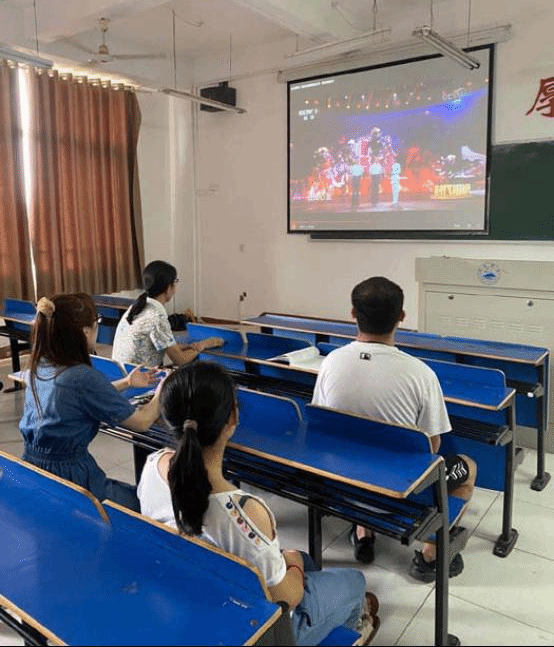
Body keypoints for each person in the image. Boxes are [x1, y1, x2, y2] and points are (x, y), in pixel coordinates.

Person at [138, 362, 381, 646]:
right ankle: (354, 625)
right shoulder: (244, 512)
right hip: (260, 631)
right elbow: (287, 597)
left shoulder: (152, 465)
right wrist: (293, 566)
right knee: (355, 582)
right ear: (233, 417)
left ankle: (322, 599)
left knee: (306, 560)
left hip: (196, 598)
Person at [312, 277, 476, 582]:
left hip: (342, 485)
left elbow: (321, 423)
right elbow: (432, 447)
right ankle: (430, 556)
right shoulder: (421, 374)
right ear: (401, 317)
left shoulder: (331, 362)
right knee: (467, 467)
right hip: (400, 494)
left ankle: (363, 531)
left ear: (353, 314)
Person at [20, 293, 163, 512]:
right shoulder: (82, 376)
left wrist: (126, 382)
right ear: (86, 331)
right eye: (97, 322)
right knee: (148, 505)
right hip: (71, 480)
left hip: (32, 473)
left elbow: (77, 396)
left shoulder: (41, 365)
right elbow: (142, 422)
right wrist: (164, 389)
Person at [112, 260, 223, 367]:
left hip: (119, 373)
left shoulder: (136, 307)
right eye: (175, 283)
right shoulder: (157, 317)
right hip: (137, 377)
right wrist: (203, 345)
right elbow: (180, 360)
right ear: (168, 288)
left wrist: (178, 347)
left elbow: (146, 343)